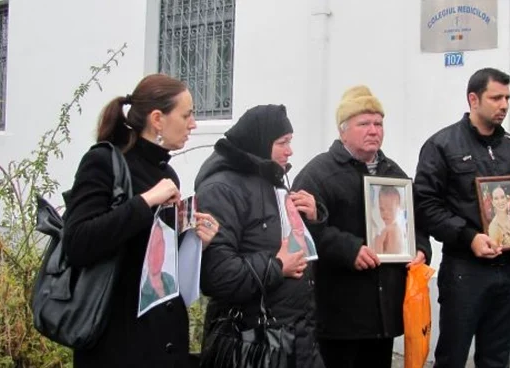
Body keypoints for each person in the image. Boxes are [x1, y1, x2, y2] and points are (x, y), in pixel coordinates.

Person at [63, 74, 219, 367]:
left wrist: (195, 241)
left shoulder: (166, 174)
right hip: (117, 344)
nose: (194, 124)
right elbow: (78, 242)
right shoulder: (104, 163)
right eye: (186, 115)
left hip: (163, 341)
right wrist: (146, 201)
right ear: (158, 119)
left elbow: (156, 259)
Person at [292, 85, 432, 368]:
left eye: (378, 123)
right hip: (339, 314)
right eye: (364, 123)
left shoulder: (394, 174)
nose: (374, 130)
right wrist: (349, 249)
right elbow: (302, 232)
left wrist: (420, 249)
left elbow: (415, 223)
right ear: (343, 131)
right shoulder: (317, 174)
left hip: (384, 315)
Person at [413, 68, 510, 368]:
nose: (504, 105)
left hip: (507, 270)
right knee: (452, 356)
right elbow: (426, 205)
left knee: (496, 357)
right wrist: (468, 237)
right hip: (464, 269)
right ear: (473, 99)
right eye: (496, 97)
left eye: (507, 98)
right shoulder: (442, 146)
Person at [195, 104, 326, 368]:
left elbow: (286, 246)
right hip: (252, 343)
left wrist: (312, 219)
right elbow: (218, 275)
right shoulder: (221, 189)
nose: (290, 151)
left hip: (295, 337)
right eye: (283, 142)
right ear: (260, 142)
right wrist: (276, 266)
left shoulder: (271, 182)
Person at [139, 222, 178, 311]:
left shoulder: (170, 280)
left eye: (159, 244)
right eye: (149, 247)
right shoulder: (141, 294)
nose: (154, 253)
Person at [284, 193, 317, 258]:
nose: (298, 221)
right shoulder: (286, 247)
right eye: (293, 214)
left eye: (300, 213)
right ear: (286, 217)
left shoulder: (309, 240)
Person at [373, 186, 404, 254]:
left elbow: (378, 253)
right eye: (382, 209)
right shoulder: (397, 228)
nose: (385, 213)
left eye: (390, 209)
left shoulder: (387, 230)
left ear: (398, 207)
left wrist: (378, 240)